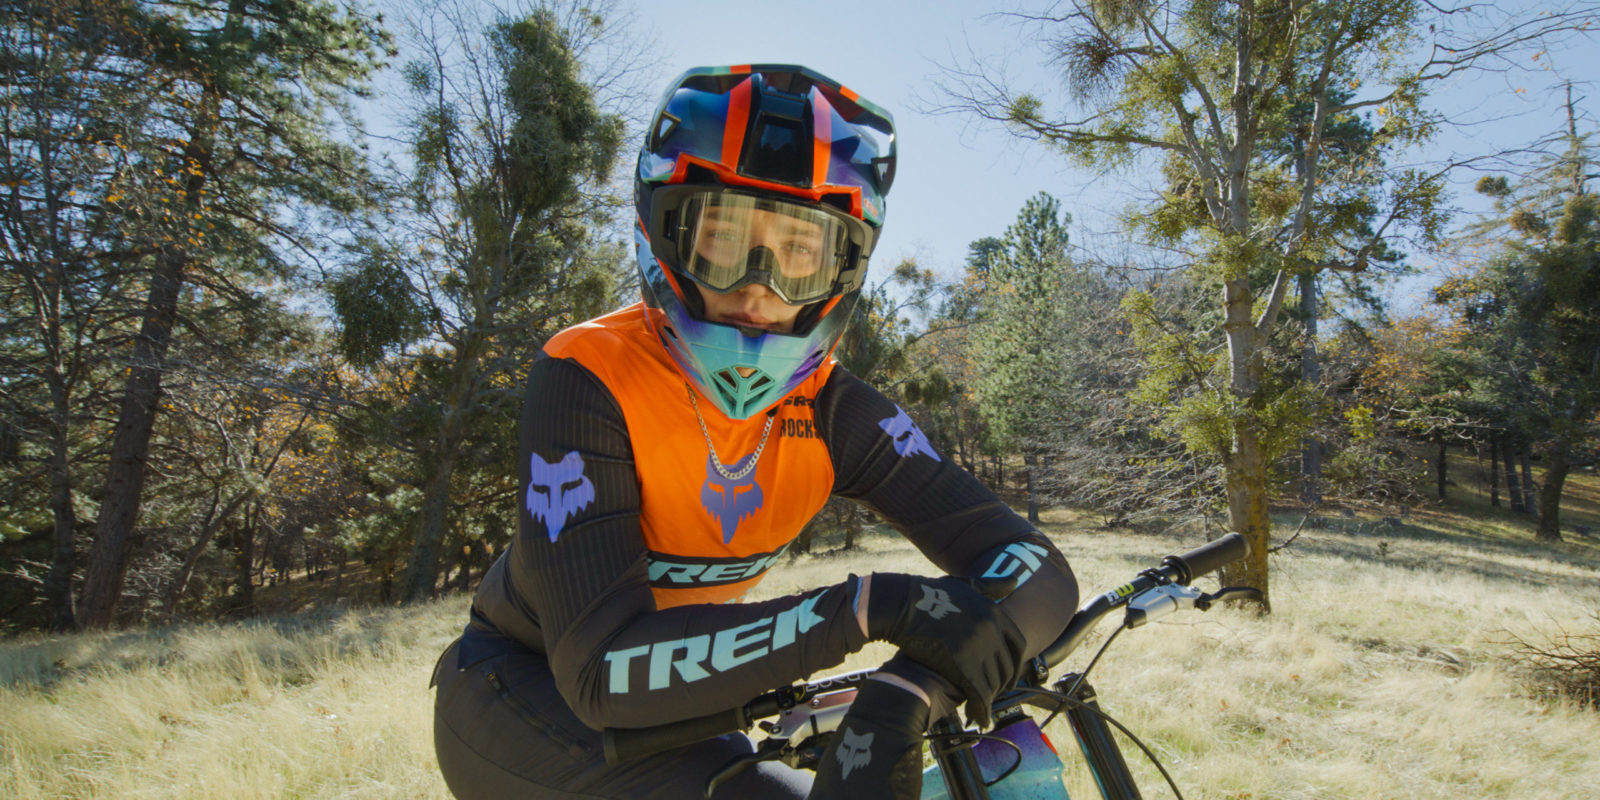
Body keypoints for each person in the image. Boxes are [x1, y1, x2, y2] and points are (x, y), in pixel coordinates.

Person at [430, 64, 1079, 800]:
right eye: (724, 236)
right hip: (518, 690)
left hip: (681, 704)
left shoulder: (834, 411)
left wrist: (914, 687)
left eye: (801, 251)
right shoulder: (588, 373)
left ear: (843, 267)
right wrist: (869, 607)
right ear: (664, 234)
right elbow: (601, 669)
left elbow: (1036, 566)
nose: (758, 287)